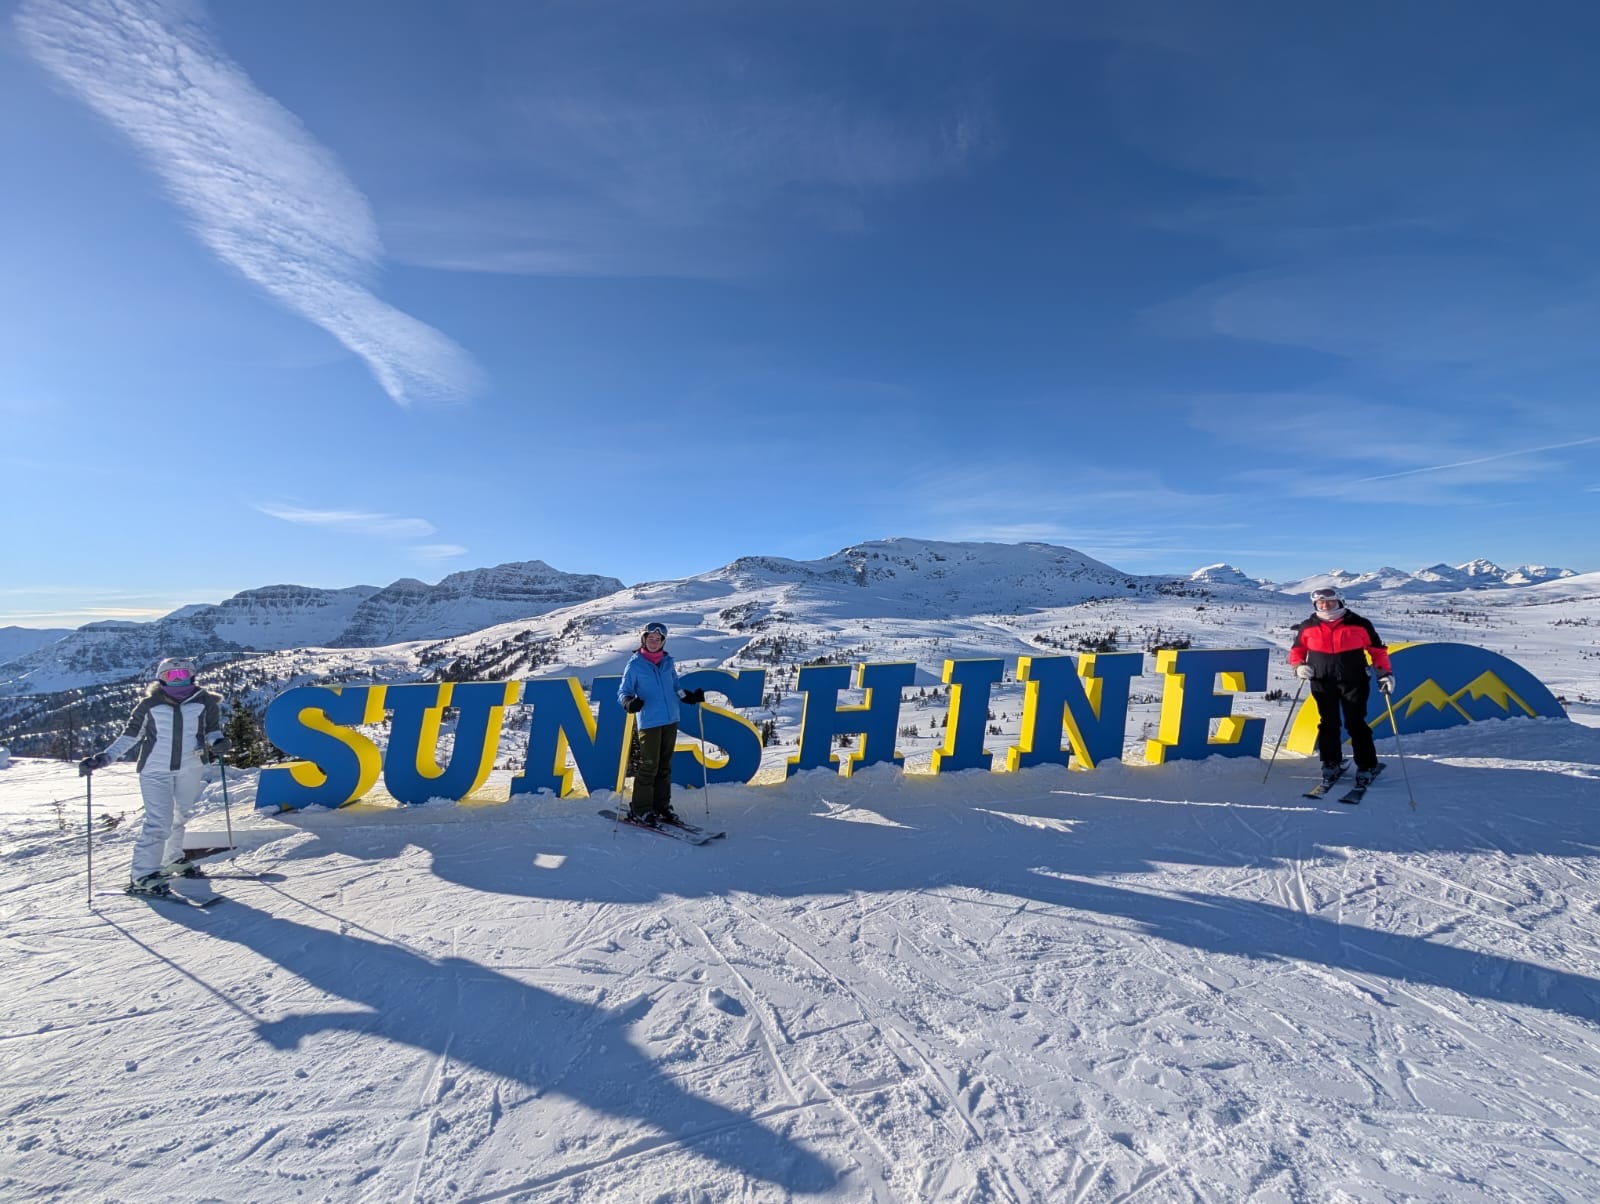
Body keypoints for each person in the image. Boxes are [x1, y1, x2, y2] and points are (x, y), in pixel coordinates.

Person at [78, 656, 231, 895]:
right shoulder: (149, 706)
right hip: (155, 770)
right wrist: (103, 758)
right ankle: (143, 874)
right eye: (171, 676)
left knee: (180, 816)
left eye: (182, 675)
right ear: (161, 678)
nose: (177, 680)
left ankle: (173, 859)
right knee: (158, 822)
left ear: (192, 675)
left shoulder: (205, 702)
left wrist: (218, 742)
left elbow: (212, 731)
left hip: (191, 766)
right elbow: (130, 736)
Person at [1288, 588, 1395, 789]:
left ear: (1340, 602)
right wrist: (1298, 666)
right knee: (1328, 722)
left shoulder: (1359, 623)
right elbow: (1297, 650)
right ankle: (1331, 763)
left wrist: (1385, 673)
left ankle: (1366, 765)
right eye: (1320, 603)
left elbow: (1377, 651)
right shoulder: (1308, 626)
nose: (1325, 606)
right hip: (1322, 679)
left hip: (1354, 680)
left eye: (1329, 602)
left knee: (1356, 723)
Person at [617, 622, 704, 826]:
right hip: (650, 721)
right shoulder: (635, 664)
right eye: (650, 639)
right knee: (649, 766)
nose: (654, 642)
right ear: (644, 640)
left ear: (663, 642)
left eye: (658, 639)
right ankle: (640, 809)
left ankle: (661, 806)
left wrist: (687, 697)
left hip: (671, 719)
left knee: (664, 767)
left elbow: (675, 686)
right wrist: (629, 702)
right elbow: (623, 691)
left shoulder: (667, 662)